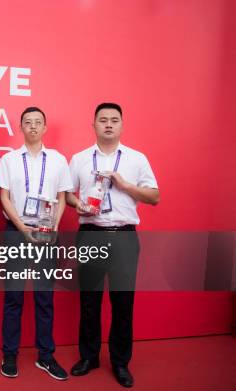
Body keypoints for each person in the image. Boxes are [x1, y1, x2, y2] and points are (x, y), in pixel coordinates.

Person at [66, 103, 160, 388]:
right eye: (103, 120)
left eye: (114, 120)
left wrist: (126, 186)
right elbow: (68, 195)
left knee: (122, 304)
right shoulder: (80, 159)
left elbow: (154, 196)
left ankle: (120, 363)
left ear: (121, 125)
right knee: (89, 302)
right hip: (91, 233)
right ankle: (89, 357)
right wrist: (78, 203)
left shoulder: (136, 159)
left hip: (123, 236)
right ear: (93, 125)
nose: (108, 124)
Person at [0, 107, 72, 380]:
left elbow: (63, 197)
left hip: (46, 233)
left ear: (45, 127)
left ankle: (46, 356)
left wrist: (53, 226)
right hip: (16, 232)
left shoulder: (58, 160)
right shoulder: (9, 159)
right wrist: (20, 226)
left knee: (44, 297)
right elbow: (3, 197)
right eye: (27, 122)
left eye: (37, 122)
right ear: (21, 127)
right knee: (13, 296)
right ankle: (9, 354)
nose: (32, 126)